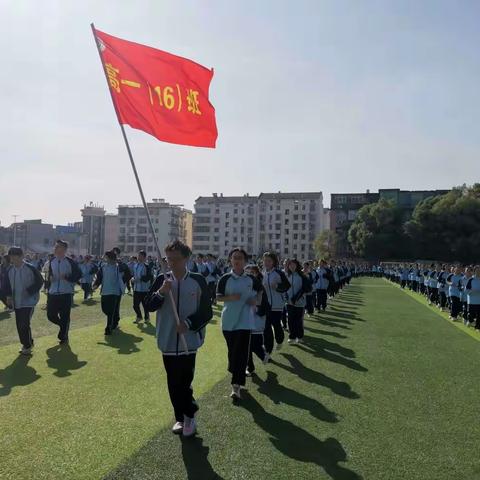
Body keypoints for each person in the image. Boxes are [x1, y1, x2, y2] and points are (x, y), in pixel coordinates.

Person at [144, 240, 212, 437]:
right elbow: (149, 305)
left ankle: (189, 414)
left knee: (184, 380)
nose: (171, 263)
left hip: (189, 341)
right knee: (173, 382)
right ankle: (180, 418)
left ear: (186, 259)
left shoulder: (198, 280)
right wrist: (161, 293)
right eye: (168, 259)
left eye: (175, 259)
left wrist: (189, 324)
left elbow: (206, 311)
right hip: (167, 339)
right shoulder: (161, 280)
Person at [217, 248, 260, 400]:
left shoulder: (251, 279)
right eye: (234, 257)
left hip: (245, 321)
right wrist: (231, 297)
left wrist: (255, 301)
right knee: (232, 352)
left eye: (240, 258)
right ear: (230, 260)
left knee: (241, 354)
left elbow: (260, 293)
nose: (237, 260)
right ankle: (234, 369)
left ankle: (236, 386)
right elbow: (218, 298)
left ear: (245, 261)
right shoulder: (224, 279)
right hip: (228, 321)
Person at [4, 247, 44, 355]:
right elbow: (6, 285)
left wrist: (30, 291)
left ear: (21, 256)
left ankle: (27, 346)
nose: (13, 258)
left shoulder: (30, 268)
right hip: (17, 302)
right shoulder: (10, 270)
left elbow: (40, 281)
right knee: (19, 324)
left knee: (24, 324)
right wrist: (8, 297)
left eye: (15, 256)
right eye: (11, 256)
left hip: (29, 301)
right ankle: (27, 342)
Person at [47, 240, 82, 344]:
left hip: (66, 293)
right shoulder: (52, 261)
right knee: (51, 316)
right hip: (53, 293)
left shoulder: (70, 262)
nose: (57, 249)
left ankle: (63, 336)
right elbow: (50, 274)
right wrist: (50, 278)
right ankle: (63, 326)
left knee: (64, 316)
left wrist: (67, 277)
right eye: (56, 247)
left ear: (65, 249)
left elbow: (78, 275)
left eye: (59, 247)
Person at [261, 252, 290, 355]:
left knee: (276, 325)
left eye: (269, 261)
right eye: (265, 260)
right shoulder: (262, 273)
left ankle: (280, 340)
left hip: (277, 305)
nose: (266, 263)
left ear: (273, 262)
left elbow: (287, 286)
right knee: (266, 328)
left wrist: (277, 287)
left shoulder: (278, 273)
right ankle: (268, 350)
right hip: (266, 306)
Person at [93, 251, 125, 335]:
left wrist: (123, 286)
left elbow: (126, 273)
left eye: (106, 257)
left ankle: (108, 327)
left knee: (110, 311)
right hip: (105, 291)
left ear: (110, 258)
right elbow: (99, 277)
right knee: (104, 309)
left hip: (115, 292)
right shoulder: (103, 267)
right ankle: (113, 319)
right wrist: (95, 285)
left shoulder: (118, 267)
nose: (104, 258)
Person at [245, 265, 270, 376]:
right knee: (246, 346)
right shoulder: (243, 287)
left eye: (252, 272)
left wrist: (257, 309)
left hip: (257, 320)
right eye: (247, 273)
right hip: (244, 321)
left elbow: (264, 305)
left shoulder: (260, 288)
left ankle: (263, 355)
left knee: (254, 344)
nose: (249, 275)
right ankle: (250, 368)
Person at [285, 259, 311, 344]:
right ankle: (292, 337)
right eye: (290, 265)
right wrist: (287, 298)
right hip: (289, 302)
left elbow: (307, 288)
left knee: (298, 320)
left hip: (299, 302)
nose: (292, 266)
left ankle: (299, 336)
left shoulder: (302, 276)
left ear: (297, 266)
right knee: (290, 320)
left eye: (294, 264)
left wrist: (297, 298)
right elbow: (284, 289)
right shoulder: (287, 276)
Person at [132, 250, 153, 323]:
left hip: (144, 289)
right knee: (135, 305)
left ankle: (147, 318)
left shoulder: (147, 266)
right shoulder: (135, 265)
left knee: (145, 305)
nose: (139, 257)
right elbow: (134, 275)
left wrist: (140, 279)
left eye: (140, 256)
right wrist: (133, 279)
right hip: (136, 289)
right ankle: (139, 316)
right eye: (138, 255)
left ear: (144, 257)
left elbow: (149, 277)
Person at [465, 266, 480, 330]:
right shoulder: (471, 280)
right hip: (472, 301)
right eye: (477, 271)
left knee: (479, 315)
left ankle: (478, 327)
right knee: (471, 315)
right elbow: (466, 291)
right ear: (474, 271)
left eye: (479, 271)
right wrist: (472, 291)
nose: (478, 272)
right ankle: (470, 321)